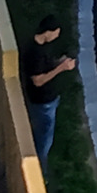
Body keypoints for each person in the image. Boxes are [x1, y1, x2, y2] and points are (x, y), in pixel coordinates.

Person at [23, 16, 75, 155]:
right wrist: (61, 68)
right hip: (43, 102)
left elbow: (43, 68)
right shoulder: (35, 53)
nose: (56, 37)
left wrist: (58, 62)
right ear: (48, 32)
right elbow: (38, 80)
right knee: (44, 140)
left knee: (41, 134)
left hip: (45, 99)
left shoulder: (39, 46)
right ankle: (41, 169)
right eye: (55, 33)